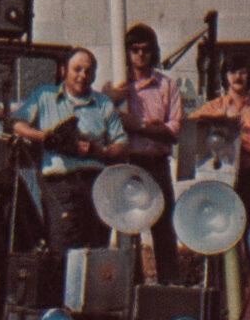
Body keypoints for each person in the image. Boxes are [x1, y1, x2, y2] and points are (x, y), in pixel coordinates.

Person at [13, 47, 128, 255]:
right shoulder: (44, 96)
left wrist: (97, 151)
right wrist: (45, 137)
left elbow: (120, 144)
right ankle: (61, 288)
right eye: (77, 69)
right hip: (59, 185)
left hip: (96, 185)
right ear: (64, 70)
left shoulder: (103, 104)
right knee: (61, 247)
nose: (82, 75)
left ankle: (87, 288)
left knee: (95, 248)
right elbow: (16, 123)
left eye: (88, 71)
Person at [103, 23, 184, 283]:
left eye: (146, 50)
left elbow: (173, 130)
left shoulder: (167, 86)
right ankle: (130, 288)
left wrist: (137, 126)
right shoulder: (115, 87)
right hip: (127, 163)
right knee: (127, 228)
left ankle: (168, 287)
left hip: (157, 164)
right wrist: (110, 101)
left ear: (154, 52)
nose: (140, 55)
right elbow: (99, 125)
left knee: (164, 231)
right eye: (135, 50)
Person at [191, 53, 250, 231]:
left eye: (242, 72)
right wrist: (215, 119)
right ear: (225, 77)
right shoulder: (214, 106)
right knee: (220, 232)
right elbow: (190, 126)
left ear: (249, 76)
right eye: (232, 72)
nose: (237, 77)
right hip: (219, 176)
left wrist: (242, 137)